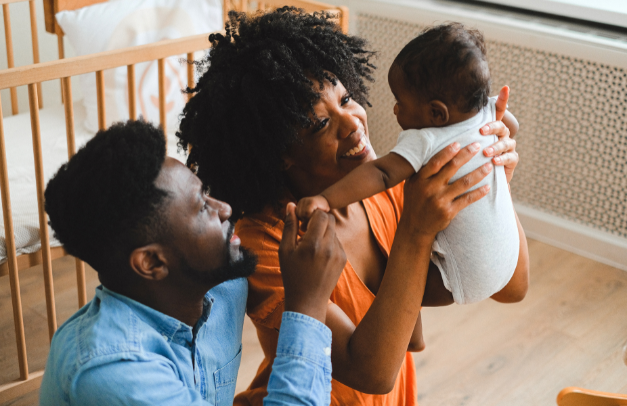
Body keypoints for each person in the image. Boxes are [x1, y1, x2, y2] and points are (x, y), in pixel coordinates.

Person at [177, 7, 528, 405]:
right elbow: (372, 373)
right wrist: (416, 231)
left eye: (346, 99)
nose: (353, 122)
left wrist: (492, 179)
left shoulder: (384, 188)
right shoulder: (266, 244)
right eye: (320, 124)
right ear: (280, 154)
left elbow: (511, 287)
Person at [39, 120, 348, 406]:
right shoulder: (113, 371)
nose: (225, 209)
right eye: (202, 207)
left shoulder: (223, 287)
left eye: (207, 193)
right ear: (151, 262)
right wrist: (307, 304)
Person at [296, 23, 527, 305]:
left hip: (464, 275)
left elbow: (381, 173)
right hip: (506, 255)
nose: (395, 109)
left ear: (436, 113)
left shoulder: (426, 139)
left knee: (401, 288)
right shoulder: (486, 111)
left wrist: (324, 199)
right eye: (322, 123)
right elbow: (511, 125)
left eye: (400, 102)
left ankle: (388, 305)